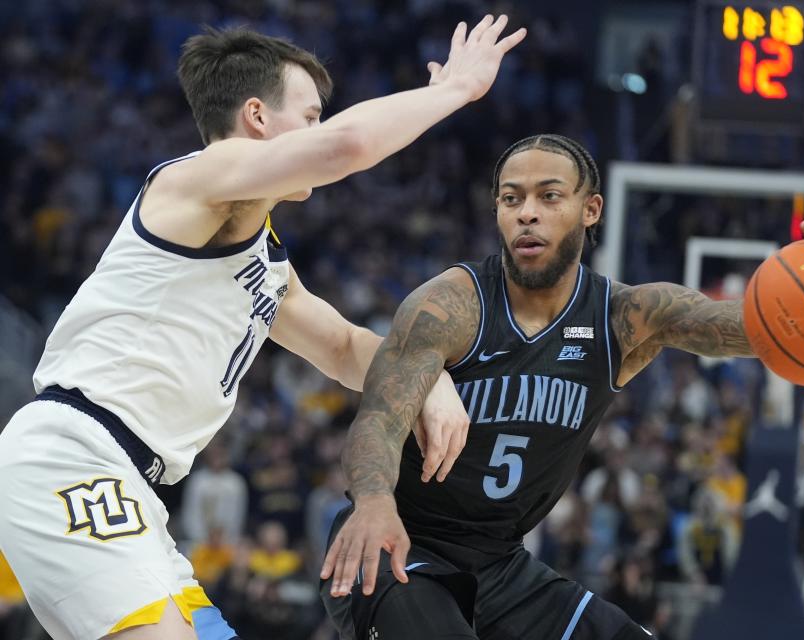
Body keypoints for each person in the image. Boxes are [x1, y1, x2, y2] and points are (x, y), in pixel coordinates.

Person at [0, 17, 527, 640]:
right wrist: (454, 91)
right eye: (308, 116)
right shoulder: (196, 179)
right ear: (256, 116)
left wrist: (426, 375)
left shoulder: (262, 255)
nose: (317, 131)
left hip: (133, 492)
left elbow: (340, 345)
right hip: (73, 457)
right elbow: (346, 148)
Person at [319, 133, 804, 639]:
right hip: (396, 544)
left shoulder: (626, 317)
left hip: (499, 565)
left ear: (591, 210)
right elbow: (378, 416)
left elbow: (748, 328)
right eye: (511, 198)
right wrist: (372, 503)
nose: (527, 212)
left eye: (550, 196)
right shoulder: (451, 304)